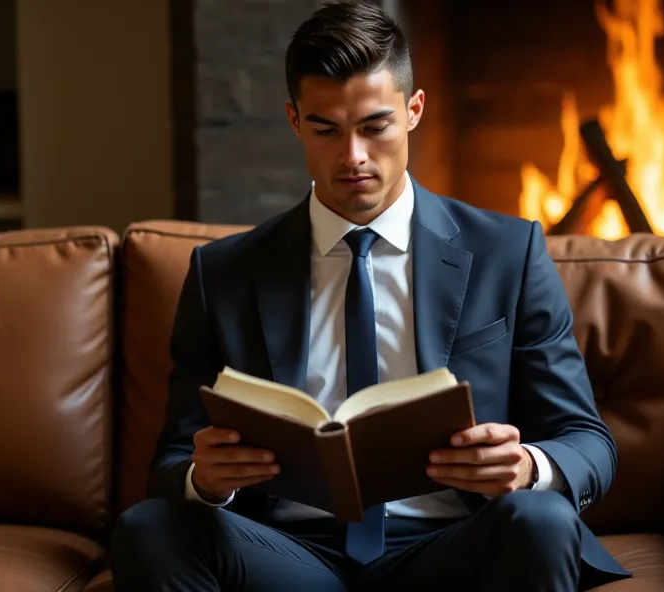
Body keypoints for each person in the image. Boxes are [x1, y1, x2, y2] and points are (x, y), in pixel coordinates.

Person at [111, 1, 632, 590]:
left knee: (540, 518)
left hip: (452, 546)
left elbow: (588, 441)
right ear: (293, 121)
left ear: (414, 111)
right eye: (326, 129)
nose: (353, 156)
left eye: (374, 126)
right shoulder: (223, 273)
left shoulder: (508, 253)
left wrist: (529, 466)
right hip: (289, 556)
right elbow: (171, 464)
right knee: (149, 529)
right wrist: (205, 479)